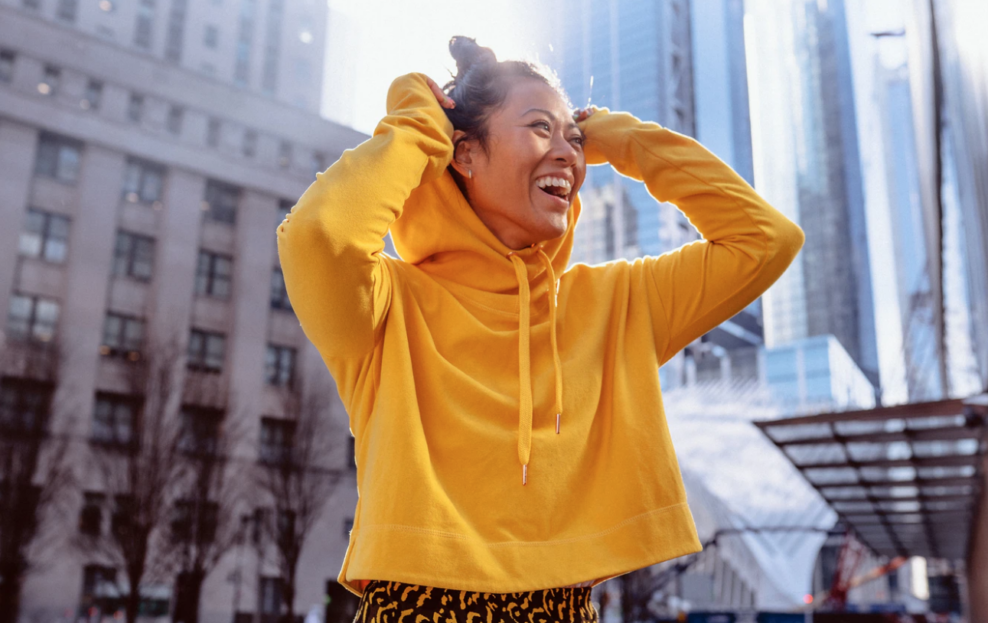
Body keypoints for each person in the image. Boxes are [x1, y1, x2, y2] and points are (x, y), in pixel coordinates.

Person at [277, 36, 804, 622]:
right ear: (465, 154)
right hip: (417, 607)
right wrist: (417, 127)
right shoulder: (387, 306)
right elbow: (317, 235)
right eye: (538, 129)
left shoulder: (616, 304)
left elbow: (766, 241)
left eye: (573, 139)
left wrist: (626, 141)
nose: (568, 155)